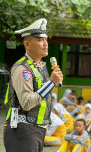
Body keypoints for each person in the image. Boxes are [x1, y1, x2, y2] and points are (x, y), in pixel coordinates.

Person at [3, 18, 63, 152]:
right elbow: (26, 102)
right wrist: (52, 83)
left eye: (46, 39)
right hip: (23, 130)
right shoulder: (22, 68)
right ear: (27, 44)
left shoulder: (41, 67)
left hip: (36, 130)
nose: (45, 44)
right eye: (40, 40)